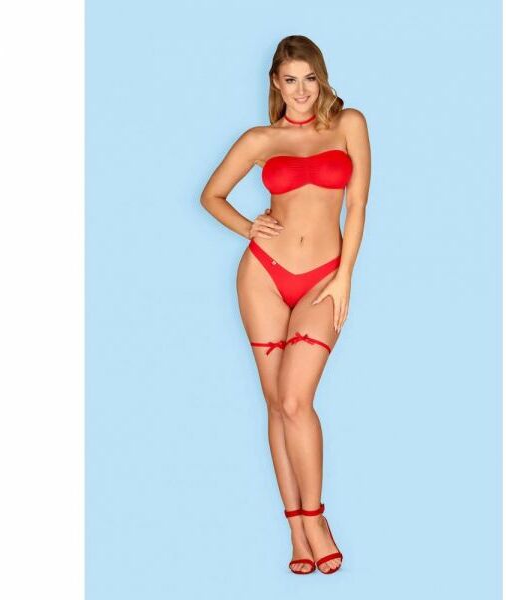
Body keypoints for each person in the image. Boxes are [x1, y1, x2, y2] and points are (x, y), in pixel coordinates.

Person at [200, 34, 371, 575]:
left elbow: (357, 205)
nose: (301, 90)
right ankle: (296, 530)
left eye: (310, 78)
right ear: (276, 82)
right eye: (290, 80)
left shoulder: (349, 125)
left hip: (324, 278)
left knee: (296, 400)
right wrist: (248, 227)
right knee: (276, 403)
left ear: (321, 78)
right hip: (264, 277)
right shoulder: (260, 139)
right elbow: (211, 196)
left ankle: (317, 519)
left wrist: (345, 278)